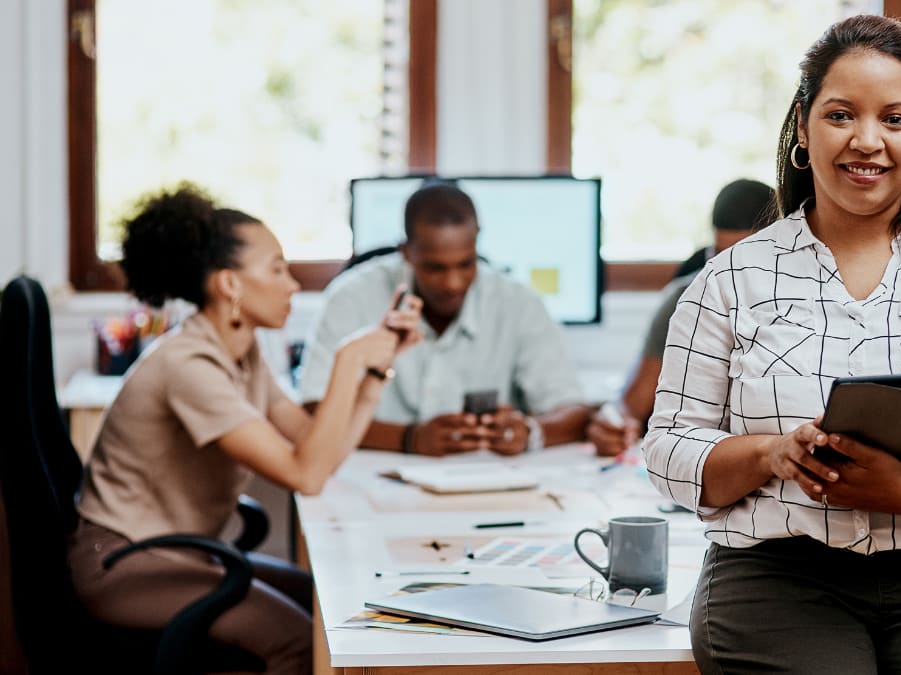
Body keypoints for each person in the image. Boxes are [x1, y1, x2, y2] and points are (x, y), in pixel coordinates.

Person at [643, 15, 901, 675]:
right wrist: (771, 452)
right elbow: (670, 447)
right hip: (778, 579)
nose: (867, 140)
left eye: (894, 119)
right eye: (842, 114)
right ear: (804, 132)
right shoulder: (730, 277)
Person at [67, 184, 421, 675]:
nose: (292, 284)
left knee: (329, 608)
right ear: (230, 284)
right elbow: (307, 475)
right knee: (303, 643)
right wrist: (347, 359)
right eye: (276, 268)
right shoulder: (189, 365)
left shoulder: (242, 354)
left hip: (177, 556)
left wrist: (375, 373)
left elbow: (318, 448)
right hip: (125, 566)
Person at [299, 182, 591, 456]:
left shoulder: (518, 302)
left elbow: (573, 409)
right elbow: (312, 411)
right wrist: (409, 438)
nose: (453, 283)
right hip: (371, 482)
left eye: (466, 264)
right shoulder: (351, 297)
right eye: (435, 268)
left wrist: (529, 433)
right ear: (406, 253)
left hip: (487, 485)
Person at [586, 178, 774, 456]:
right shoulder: (687, 296)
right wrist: (614, 424)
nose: (728, 271)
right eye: (719, 254)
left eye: (743, 257)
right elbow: (632, 405)